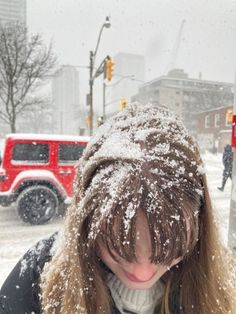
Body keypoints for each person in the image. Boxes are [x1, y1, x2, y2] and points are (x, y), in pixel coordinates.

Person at [0, 103, 235, 314]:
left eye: (169, 247)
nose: (142, 274)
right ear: (86, 220)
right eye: (120, 247)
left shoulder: (223, 280)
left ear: (198, 223)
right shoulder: (34, 282)